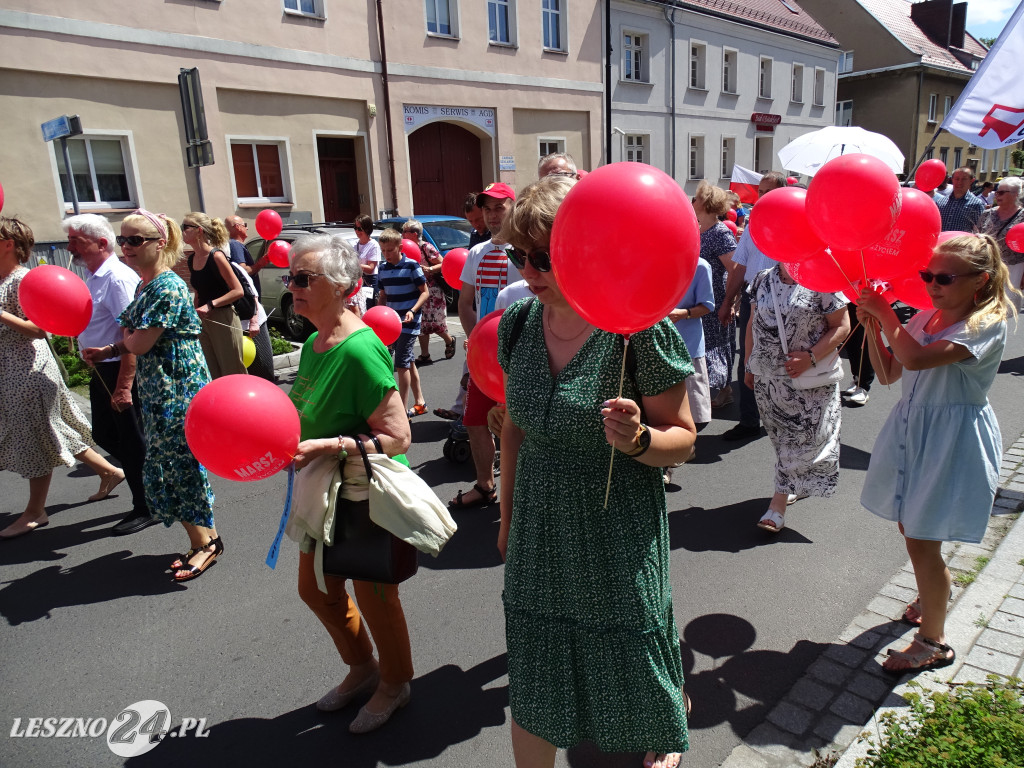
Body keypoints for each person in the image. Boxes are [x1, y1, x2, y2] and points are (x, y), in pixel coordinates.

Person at [497, 175, 694, 768]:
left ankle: (662, 723)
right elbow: (514, 428)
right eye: (519, 256)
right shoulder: (519, 324)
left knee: (631, 640)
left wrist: (638, 440)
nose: (530, 271)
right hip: (538, 518)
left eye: (545, 257)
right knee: (535, 660)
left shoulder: (638, 326)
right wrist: (506, 517)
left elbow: (682, 439)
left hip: (616, 524)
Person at [857, 234, 1013, 674]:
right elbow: (889, 371)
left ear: (980, 281)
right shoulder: (930, 314)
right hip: (917, 432)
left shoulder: (985, 325)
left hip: (951, 441)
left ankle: (933, 641)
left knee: (922, 536)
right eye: (927, 275)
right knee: (917, 529)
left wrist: (886, 314)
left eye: (943, 277)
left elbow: (918, 359)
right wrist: (872, 327)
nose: (931, 284)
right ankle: (931, 596)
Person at [284, 233, 415, 733]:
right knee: (317, 589)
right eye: (291, 277)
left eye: (303, 278)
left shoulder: (360, 349)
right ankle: (363, 668)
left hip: (362, 491)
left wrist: (325, 446)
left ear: (342, 286)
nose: (291, 286)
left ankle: (395, 683)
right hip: (323, 490)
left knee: (375, 593)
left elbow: (398, 435)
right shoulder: (317, 342)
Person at [81, 210, 221, 581]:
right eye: (122, 239)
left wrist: (120, 341)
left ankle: (206, 543)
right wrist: (108, 349)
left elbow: (139, 343)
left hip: (177, 385)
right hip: (161, 385)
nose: (125, 246)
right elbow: (130, 335)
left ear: (160, 244)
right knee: (168, 463)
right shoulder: (145, 286)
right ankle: (202, 539)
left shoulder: (166, 286)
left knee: (179, 465)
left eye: (135, 240)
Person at [0, 217, 127, 539]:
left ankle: (35, 511)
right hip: (9, 372)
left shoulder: (22, 281)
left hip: (26, 372)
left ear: (8, 244)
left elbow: (41, 328)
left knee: (34, 439)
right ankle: (110, 470)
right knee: (53, 429)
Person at [63, 213, 156, 535]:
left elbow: (133, 334)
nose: (70, 246)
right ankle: (150, 477)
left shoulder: (116, 278)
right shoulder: (94, 277)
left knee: (131, 440)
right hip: (102, 367)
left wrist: (124, 386)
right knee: (104, 434)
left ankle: (147, 505)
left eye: (76, 239)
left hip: (120, 368)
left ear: (102, 243)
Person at [743, 260, 850, 533]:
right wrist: (748, 363)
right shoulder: (763, 278)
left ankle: (776, 506)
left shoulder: (824, 275)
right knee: (781, 440)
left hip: (809, 381)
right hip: (769, 379)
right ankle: (791, 484)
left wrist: (811, 357)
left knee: (802, 440)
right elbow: (752, 324)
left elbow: (842, 326)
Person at [450, 182, 521, 509]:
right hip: (483, 357)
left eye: (499, 207)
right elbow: (465, 302)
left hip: (520, 354)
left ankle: (520, 494)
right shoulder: (477, 253)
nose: (492, 215)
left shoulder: (525, 250)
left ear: (513, 206)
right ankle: (485, 485)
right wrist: (476, 338)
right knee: (475, 421)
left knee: (517, 425)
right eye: (487, 208)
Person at [719, 172, 786, 440]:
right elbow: (740, 266)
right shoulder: (754, 223)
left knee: (780, 359)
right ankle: (749, 420)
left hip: (783, 301)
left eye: (770, 191)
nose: (763, 197)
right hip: (751, 298)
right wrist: (727, 302)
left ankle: (780, 416)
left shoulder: (794, 222)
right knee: (747, 358)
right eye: (762, 191)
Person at [182, 212, 245, 378]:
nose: (182, 231)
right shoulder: (191, 259)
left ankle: (239, 404)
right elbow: (198, 292)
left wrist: (211, 304)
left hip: (224, 317)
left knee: (232, 372)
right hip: (204, 321)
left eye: (185, 227)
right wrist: (194, 315)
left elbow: (238, 290)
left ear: (199, 231)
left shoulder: (216, 256)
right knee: (211, 373)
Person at [692, 181, 738, 408]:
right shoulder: (697, 228)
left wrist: (730, 302)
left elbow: (735, 269)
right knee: (706, 344)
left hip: (717, 296)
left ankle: (725, 388)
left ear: (706, 203)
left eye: (696, 198)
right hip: (700, 296)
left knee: (720, 343)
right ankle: (712, 388)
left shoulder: (719, 233)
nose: (692, 201)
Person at [377, 228, 429, 417]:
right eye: (383, 250)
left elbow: (425, 292)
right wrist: (378, 314)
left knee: (400, 363)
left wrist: (412, 310)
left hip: (410, 321)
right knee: (409, 362)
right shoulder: (382, 269)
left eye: (390, 250)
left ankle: (401, 410)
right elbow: (383, 296)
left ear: (400, 247)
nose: (386, 254)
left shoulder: (412, 266)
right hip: (391, 324)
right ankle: (420, 402)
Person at [225, 215, 274, 380]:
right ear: (237, 227)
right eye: (245, 225)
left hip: (249, 311)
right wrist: (262, 262)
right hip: (251, 311)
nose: (247, 228)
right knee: (262, 361)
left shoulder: (236, 246)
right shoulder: (235, 245)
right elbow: (244, 271)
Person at [403, 219, 456, 365]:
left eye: (404, 232)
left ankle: (450, 340)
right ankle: (425, 354)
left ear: (414, 234)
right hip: (418, 290)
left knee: (436, 323)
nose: (402, 235)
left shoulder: (426, 247)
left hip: (433, 290)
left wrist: (430, 269)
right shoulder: (405, 248)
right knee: (422, 323)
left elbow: (443, 262)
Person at [975, 176, 1024, 308]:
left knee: (1005, 306)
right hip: (987, 266)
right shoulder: (987, 213)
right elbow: (975, 235)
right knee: (982, 304)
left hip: (1012, 268)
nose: (997, 195)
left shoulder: (1022, 216)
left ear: (1016, 194)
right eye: (997, 191)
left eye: (1002, 192)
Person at [935, 167, 986, 232]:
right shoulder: (941, 202)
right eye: (957, 179)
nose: (960, 182)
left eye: (964, 179)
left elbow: (980, 230)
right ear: (952, 180)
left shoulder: (976, 204)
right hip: (942, 241)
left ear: (971, 181)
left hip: (962, 241)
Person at [354, 214, 381, 308]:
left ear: (367, 229)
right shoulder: (355, 245)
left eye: (359, 228)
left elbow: (371, 268)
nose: (357, 231)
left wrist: (354, 265)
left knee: (369, 307)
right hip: (359, 281)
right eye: (355, 228)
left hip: (370, 282)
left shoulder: (373, 245)